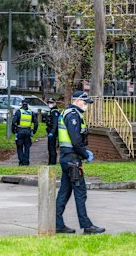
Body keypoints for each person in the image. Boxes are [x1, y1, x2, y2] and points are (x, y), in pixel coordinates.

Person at [56, 91, 105, 235]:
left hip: (67, 158)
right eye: (84, 102)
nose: (86, 105)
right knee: (80, 192)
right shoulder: (73, 115)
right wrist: (85, 154)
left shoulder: (69, 113)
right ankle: (87, 226)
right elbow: (76, 141)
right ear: (77, 100)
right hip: (72, 159)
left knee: (64, 193)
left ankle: (58, 224)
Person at [11, 100, 38, 166]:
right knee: (27, 148)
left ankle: (21, 162)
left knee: (19, 147)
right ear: (27, 104)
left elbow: (13, 122)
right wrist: (34, 131)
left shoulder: (19, 112)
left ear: (22, 104)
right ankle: (26, 162)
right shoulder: (31, 112)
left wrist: (14, 131)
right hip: (28, 132)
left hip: (20, 132)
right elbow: (36, 123)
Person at [45, 98, 61, 165]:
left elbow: (55, 123)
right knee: (50, 148)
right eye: (49, 103)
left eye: (51, 103)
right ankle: (50, 162)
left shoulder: (55, 112)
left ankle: (52, 163)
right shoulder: (51, 111)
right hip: (50, 132)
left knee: (52, 148)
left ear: (55, 103)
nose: (50, 104)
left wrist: (52, 132)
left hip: (53, 133)